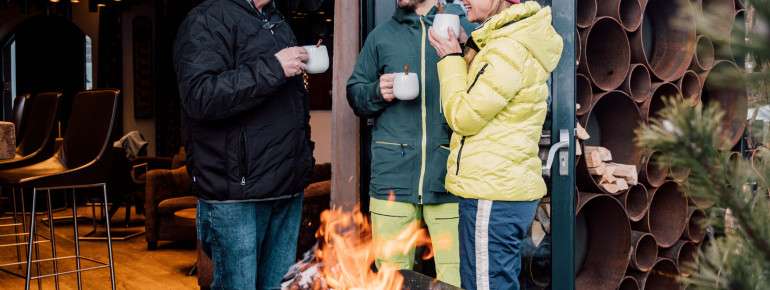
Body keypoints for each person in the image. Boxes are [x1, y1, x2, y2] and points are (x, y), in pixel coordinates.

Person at [173, 0, 315, 288]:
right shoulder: (206, 18)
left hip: (287, 189)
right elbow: (199, 97)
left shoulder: (276, 20)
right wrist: (274, 67)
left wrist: (303, 162)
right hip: (235, 196)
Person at [428, 0, 563, 289]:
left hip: (492, 194)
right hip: (499, 188)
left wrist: (450, 59)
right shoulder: (511, 41)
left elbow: (463, 117)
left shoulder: (506, 49)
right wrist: (469, 48)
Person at [346, 0, 475, 286]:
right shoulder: (381, 36)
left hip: (450, 178)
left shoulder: (462, 31)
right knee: (392, 280)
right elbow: (355, 93)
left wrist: (467, 48)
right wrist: (375, 91)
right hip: (392, 177)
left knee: (456, 280)